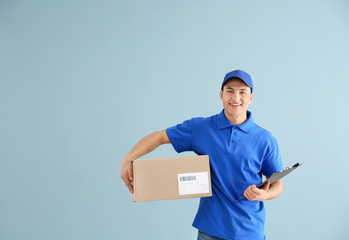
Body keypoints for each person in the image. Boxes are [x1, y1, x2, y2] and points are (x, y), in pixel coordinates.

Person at [121, 70, 284, 240]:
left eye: (242, 92)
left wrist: (264, 194)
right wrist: (128, 158)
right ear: (221, 95)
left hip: (250, 231)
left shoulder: (265, 139)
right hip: (211, 230)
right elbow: (159, 137)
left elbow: (278, 183)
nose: (236, 97)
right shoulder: (201, 128)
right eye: (230, 91)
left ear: (251, 97)